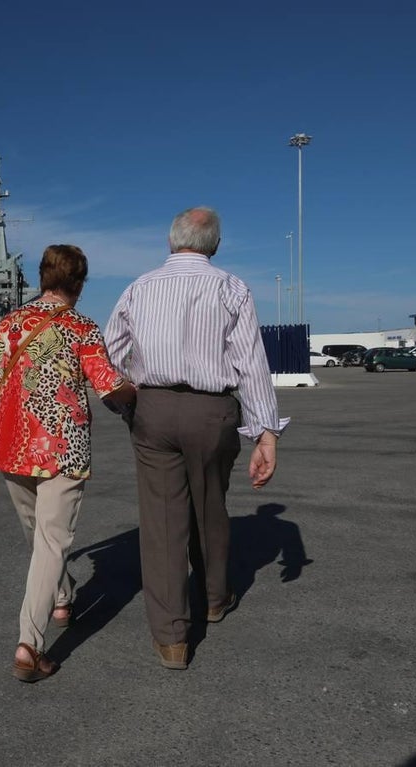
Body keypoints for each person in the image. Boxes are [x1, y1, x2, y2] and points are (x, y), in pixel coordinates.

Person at [103, 206, 289, 670]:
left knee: (162, 520)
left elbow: (109, 353)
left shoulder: (138, 288)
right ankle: (213, 598)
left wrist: (127, 403)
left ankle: (171, 639)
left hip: (155, 408)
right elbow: (251, 363)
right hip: (213, 410)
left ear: (171, 241)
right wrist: (265, 433)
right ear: (216, 245)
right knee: (210, 505)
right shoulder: (232, 288)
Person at [0, 244, 136, 683]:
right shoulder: (82, 327)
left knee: (38, 536)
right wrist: (138, 393)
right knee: (51, 542)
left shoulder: (11, 324)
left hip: (13, 446)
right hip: (63, 449)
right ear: (79, 283)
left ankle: (63, 597)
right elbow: (108, 385)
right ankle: (29, 644)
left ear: (44, 277)